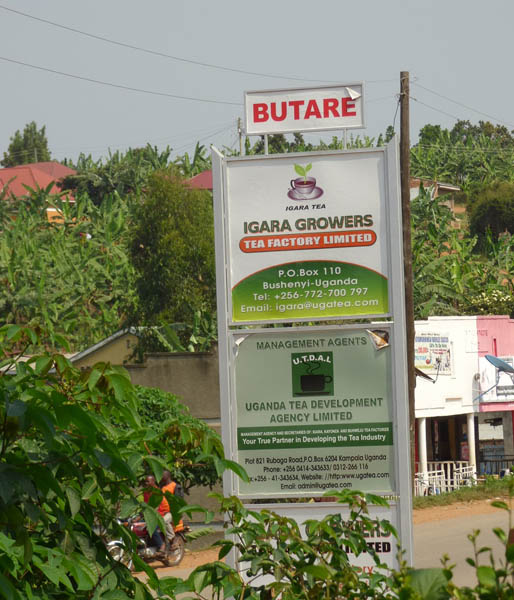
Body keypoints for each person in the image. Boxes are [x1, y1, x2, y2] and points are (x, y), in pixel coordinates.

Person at [143, 474, 167, 554]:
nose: (146, 483)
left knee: (151, 527)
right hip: (151, 514)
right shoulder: (145, 492)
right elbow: (146, 505)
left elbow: (155, 508)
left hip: (161, 513)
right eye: (145, 481)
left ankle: (161, 545)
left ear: (153, 482)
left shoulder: (157, 492)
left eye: (148, 481)